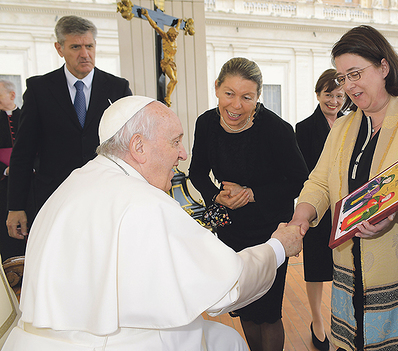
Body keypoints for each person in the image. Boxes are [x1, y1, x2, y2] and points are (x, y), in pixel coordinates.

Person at [0, 95, 304, 350]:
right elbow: (228, 286)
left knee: (222, 338)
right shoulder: (144, 202)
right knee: (228, 341)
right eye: (175, 142)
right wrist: (278, 246)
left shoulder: (73, 183)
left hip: (34, 342)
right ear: (138, 146)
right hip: (114, 344)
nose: (183, 155)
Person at [289, 25, 398, 350]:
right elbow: (320, 181)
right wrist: (302, 214)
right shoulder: (343, 126)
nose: (348, 86)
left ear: (384, 67)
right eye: (342, 78)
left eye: (355, 74)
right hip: (348, 276)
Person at [188, 57, 309, 351]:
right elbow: (197, 172)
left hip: (271, 231)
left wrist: (252, 193)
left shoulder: (277, 129)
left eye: (247, 97)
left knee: (268, 313)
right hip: (231, 231)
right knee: (244, 306)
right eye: (229, 93)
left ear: (258, 97)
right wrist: (217, 195)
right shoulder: (206, 123)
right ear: (217, 88)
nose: (236, 105)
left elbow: (298, 180)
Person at [6, 15, 132, 241]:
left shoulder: (117, 88)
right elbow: (23, 152)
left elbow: (132, 146)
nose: (84, 54)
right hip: (55, 199)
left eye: (89, 46)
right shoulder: (39, 89)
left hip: (106, 197)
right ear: (59, 48)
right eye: (75, 47)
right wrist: (15, 206)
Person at [294, 68, 349, 351]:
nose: (334, 101)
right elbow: (304, 173)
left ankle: (342, 322)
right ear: (318, 94)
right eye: (329, 94)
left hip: (346, 208)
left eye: (340, 95)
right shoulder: (303, 128)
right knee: (316, 269)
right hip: (318, 210)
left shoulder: (353, 125)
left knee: (343, 269)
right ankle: (317, 321)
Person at [0, 80, 27, 260]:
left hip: (29, 183)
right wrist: (5, 170)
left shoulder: (27, 115)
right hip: (3, 186)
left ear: (12, 95)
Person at [140, 8, 180, 107]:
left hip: (172, 63)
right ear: (169, 34)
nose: (174, 37)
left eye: (175, 36)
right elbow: (155, 26)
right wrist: (147, 16)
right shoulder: (165, 37)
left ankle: (167, 97)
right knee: (173, 80)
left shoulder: (174, 39)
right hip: (165, 62)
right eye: (173, 36)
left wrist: (178, 22)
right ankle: (167, 98)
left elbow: (178, 28)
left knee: (175, 80)